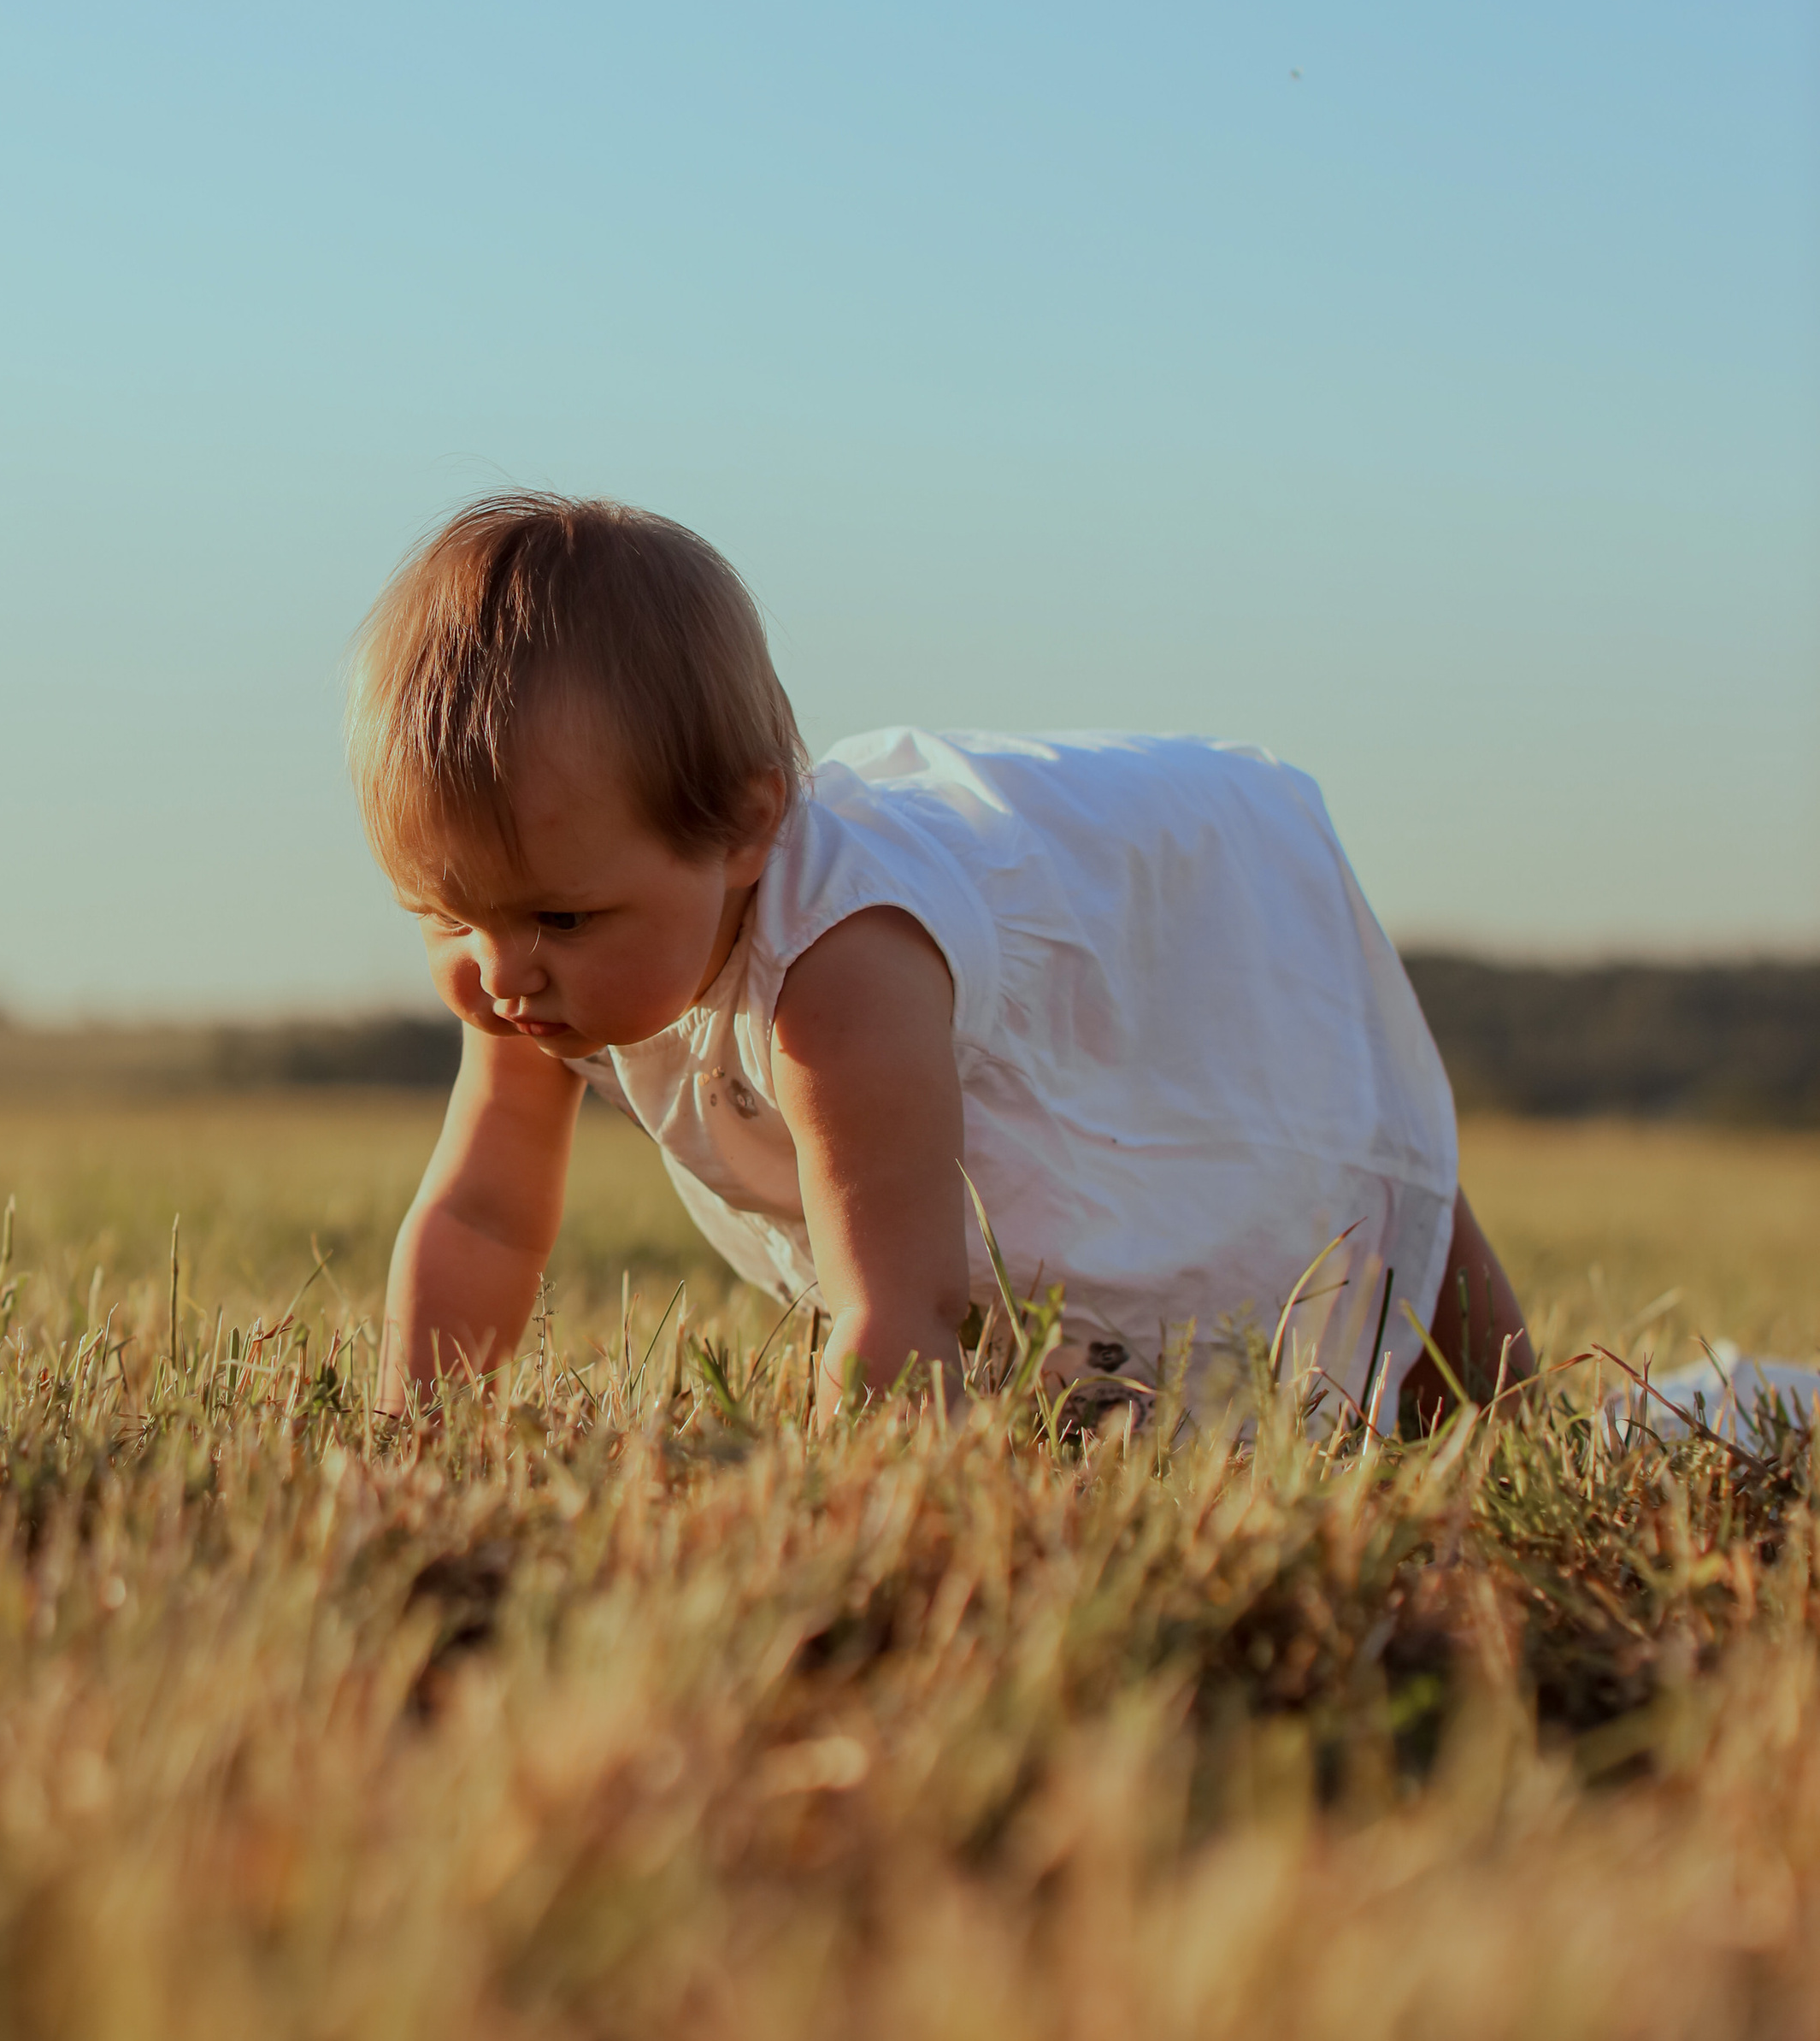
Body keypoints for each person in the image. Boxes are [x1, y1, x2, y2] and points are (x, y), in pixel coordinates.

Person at [349, 492, 1531, 1424]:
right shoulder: (534, 958)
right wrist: (415, 1427)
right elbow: (485, 1218)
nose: (502, 974)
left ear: (748, 832)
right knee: (1079, 1387)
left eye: (559, 921)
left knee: (1350, 1189)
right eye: (448, 919)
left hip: (1169, 929)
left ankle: (1514, 1406)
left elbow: (897, 1306)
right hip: (978, 1014)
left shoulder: (842, 969)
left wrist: (843, 1516)